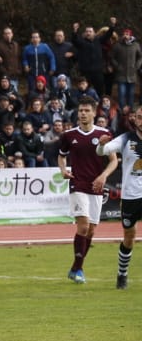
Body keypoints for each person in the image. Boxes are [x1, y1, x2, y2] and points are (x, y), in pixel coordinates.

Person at [57, 96, 116, 283]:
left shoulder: (103, 134)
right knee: (82, 226)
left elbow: (114, 160)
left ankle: (76, 267)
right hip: (77, 184)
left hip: (96, 185)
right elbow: (61, 156)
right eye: (80, 110)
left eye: (86, 110)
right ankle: (79, 271)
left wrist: (104, 175)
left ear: (94, 112)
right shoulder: (69, 135)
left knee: (91, 231)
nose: (83, 113)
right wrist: (63, 170)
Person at [97, 105, 142, 289]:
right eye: (139, 117)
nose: (141, 120)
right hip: (131, 196)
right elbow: (102, 151)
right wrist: (101, 144)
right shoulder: (126, 139)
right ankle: (122, 274)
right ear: (134, 119)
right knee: (129, 236)